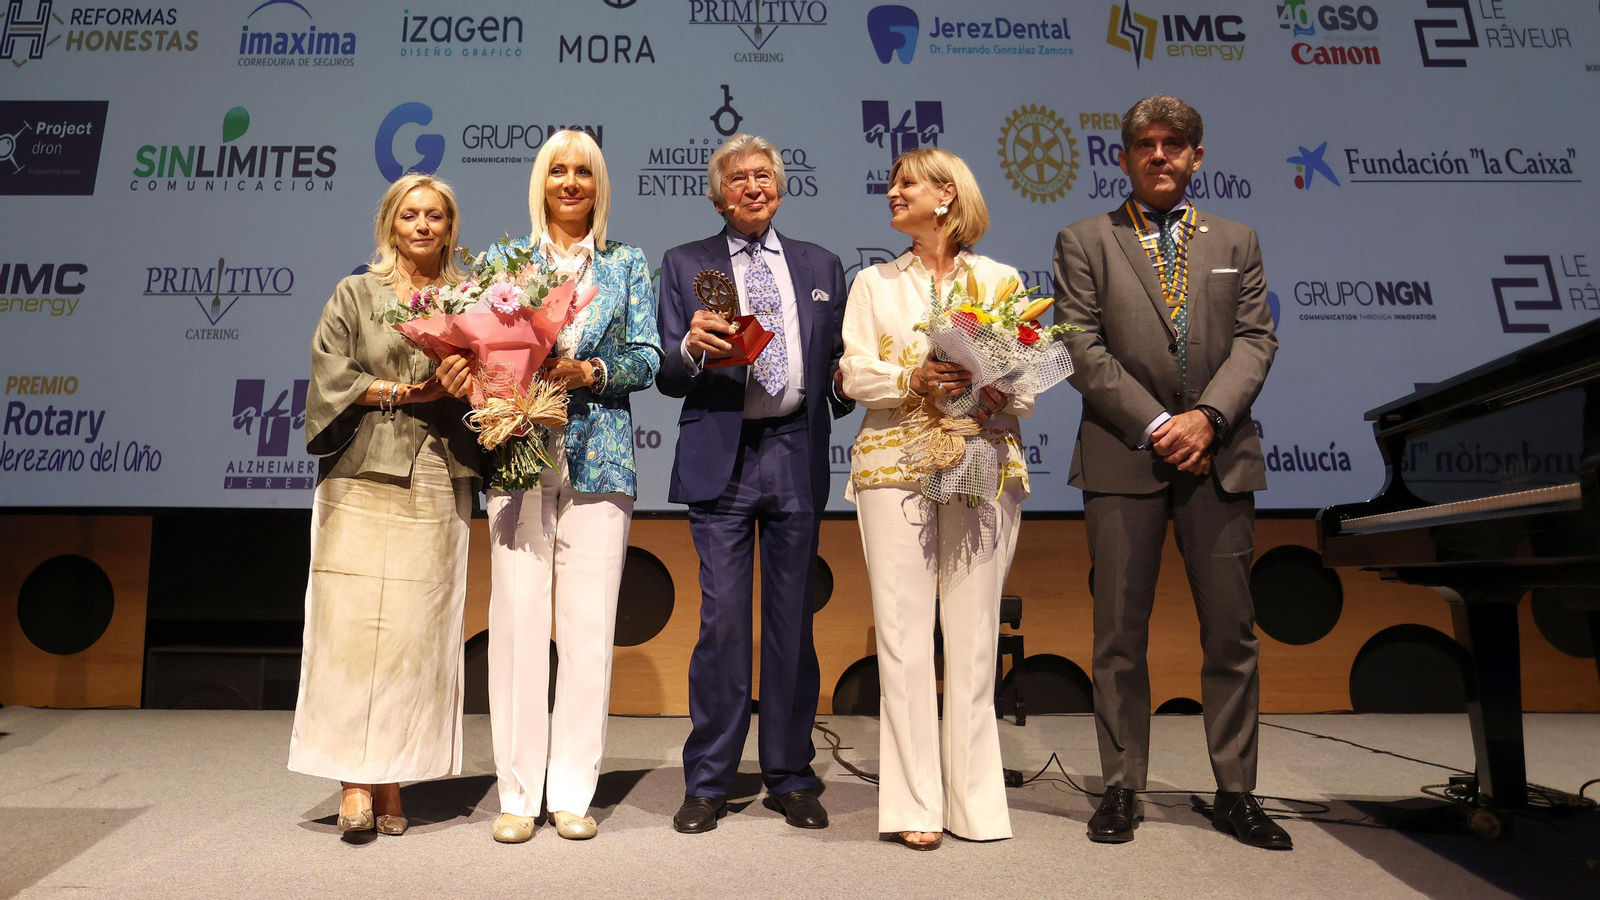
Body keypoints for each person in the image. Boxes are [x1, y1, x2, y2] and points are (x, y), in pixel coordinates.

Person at [1051, 95, 1288, 849]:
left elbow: (1255, 342)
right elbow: (1081, 347)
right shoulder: (1085, 239)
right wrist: (1160, 424)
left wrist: (1207, 419)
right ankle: (1121, 788)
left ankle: (1237, 792)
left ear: (1197, 156)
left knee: (1232, 634)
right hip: (1126, 458)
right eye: (1146, 144)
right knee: (1120, 634)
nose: (1160, 155)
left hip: (1220, 458)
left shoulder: (1238, 239)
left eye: (1175, 144)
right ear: (1123, 158)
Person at [656, 133, 852, 834]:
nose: (752, 187)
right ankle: (709, 781)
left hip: (796, 448)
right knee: (723, 624)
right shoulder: (686, 264)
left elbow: (838, 370)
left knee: (793, 623)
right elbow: (669, 375)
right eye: (738, 179)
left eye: (763, 176)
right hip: (723, 453)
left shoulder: (821, 264)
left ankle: (791, 774)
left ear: (780, 186)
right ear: (718, 194)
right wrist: (689, 349)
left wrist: (847, 379)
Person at [840, 147, 1029, 851]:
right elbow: (856, 372)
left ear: (947, 196)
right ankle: (916, 804)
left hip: (983, 455)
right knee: (904, 639)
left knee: (975, 638)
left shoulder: (1002, 281)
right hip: (894, 467)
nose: (892, 192)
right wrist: (913, 380)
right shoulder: (873, 282)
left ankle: (977, 805)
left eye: (907, 183)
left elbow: (1029, 383)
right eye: (893, 184)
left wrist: (999, 384)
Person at [485, 129, 663, 844]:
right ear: (540, 182)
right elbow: (482, 349)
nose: (569, 182)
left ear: (599, 185)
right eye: (557, 170)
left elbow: (648, 356)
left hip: (601, 462)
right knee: (519, 629)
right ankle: (519, 795)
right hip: (520, 456)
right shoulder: (507, 263)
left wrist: (589, 372)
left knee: (588, 633)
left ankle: (571, 793)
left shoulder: (625, 263)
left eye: (582, 172)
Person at [288, 174, 479, 837]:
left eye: (435, 216)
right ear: (391, 225)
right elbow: (330, 374)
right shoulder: (355, 294)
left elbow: (494, 377)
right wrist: (410, 393)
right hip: (361, 472)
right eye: (410, 215)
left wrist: (474, 381)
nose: (422, 225)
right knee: (351, 631)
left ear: (449, 228)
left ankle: (392, 776)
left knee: (411, 633)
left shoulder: (472, 299)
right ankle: (353, 782)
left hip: (435, 472)